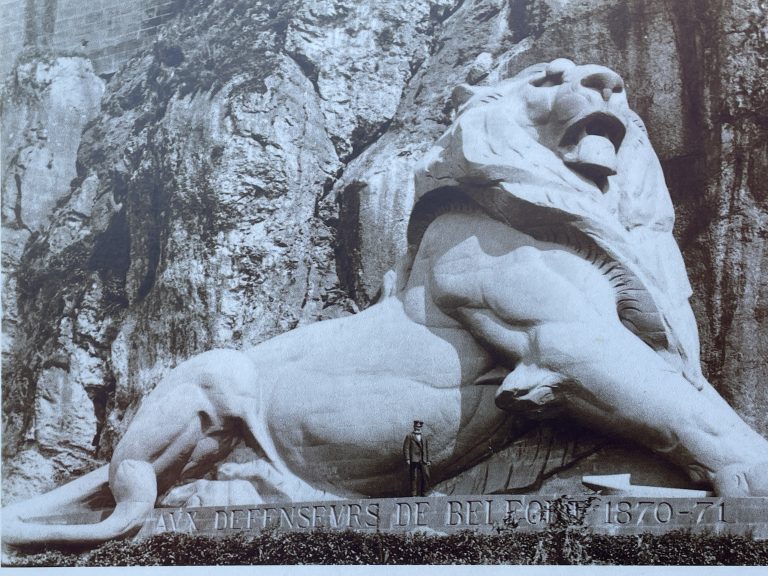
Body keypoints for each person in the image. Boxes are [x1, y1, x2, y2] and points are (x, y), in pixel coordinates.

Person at [403, 420, 431, 496]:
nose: (418, 428)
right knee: (414, 477)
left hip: (423, 459)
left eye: (419, 426)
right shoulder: (409, 436)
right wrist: (407, 459)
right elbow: (406, 448)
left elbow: (427, 448)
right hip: (414, 459)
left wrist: (428, 460)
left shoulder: (424, 436)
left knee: (426, 476)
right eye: (416, 426)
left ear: (421, 427)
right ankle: (414, 494)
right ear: (414, 426)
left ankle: (424, 492)